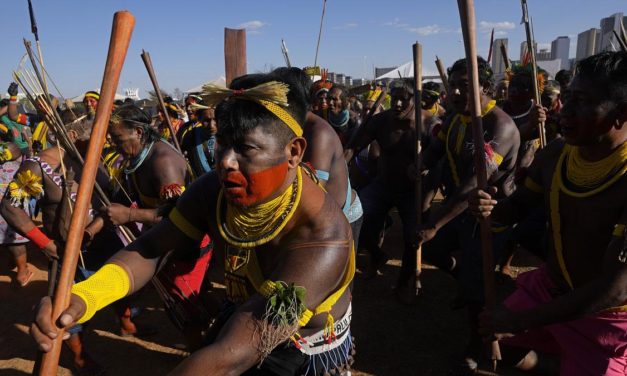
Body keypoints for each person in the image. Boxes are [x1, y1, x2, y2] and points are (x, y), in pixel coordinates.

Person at [31, 73, 355, 375]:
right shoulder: (213, 190)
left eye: (246, 148)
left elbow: (234, 353)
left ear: (294, 152)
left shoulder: (325, 235)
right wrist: (86, 296)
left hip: (302, 351)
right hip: (242, 323)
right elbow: (152, 246)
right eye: (224, 143)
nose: (226, 161)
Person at [470, 51, 627, 375]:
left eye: (581, 102)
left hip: (608, 315)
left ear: (621, 114)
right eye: (568, 98)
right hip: (550, 289)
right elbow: (517, 209)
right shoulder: (554, 155)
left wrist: (520, 321)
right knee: (494, 343)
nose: (565, 112)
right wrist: (490, 207)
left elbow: (617, 288)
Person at [419, 57, 520, 369]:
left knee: (477, 291)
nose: (458, 93)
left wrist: (435, 222)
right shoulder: (454, 118)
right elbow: (435, 150)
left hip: (491, 215)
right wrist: (418, 164)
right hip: (460, 210)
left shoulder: (500, 127)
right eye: (455, 86)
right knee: (434, 251)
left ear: (486, 87)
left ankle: (476, 347)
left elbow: (476, 183)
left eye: (466, 86)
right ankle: (465, 282)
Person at [102, 104, 211, 349]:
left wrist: (130, 215)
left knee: (185, 303)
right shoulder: (136, 157)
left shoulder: (163, 162)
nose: (114, 144)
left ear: (138, 133)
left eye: (118, 138)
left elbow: (181, 217)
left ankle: (199, 352)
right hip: (165, 240)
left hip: (187, 243)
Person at [344, 78, 428, 283]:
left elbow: (439, 157)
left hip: (412, 191)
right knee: (353, 216)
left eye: (404, 100)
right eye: (395, 99)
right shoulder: (381, 121)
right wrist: (340, 164)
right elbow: (355, 147)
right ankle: (376, 254)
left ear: (415, 100)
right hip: (382, 185)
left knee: (412, 235)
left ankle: (405, 282)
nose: (398, 104)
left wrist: (424, 168)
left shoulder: (428, 123)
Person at [0, 139, 32, 286]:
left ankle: (22, 269)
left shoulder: (11, 151)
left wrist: (4, 152)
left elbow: (16, 150)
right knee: (4, 240)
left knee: (13, 241)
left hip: (12, 206)